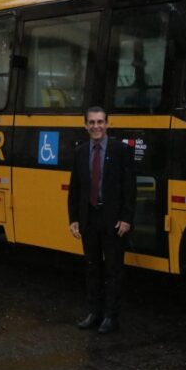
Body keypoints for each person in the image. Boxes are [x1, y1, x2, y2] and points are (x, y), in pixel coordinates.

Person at [68, 106, 136, 334]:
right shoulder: (80, 152)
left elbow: (130, 187)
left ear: (107, 124)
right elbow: (75, 189)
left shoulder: (120, 151)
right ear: (85, 126)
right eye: (91, 122)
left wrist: (126, 218)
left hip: (113, 221)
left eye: (100, 122)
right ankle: (93, 313)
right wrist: (74, 219)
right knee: (92, 268)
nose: (96, 126)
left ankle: (110, 317)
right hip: (89, 219)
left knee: (113, 270)